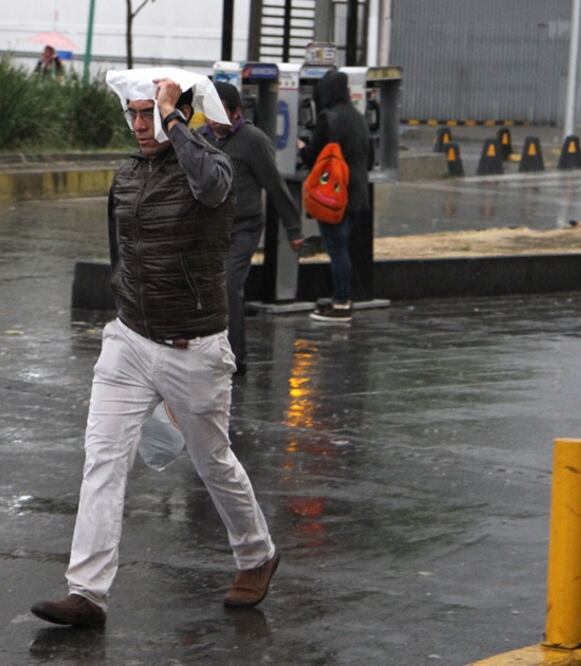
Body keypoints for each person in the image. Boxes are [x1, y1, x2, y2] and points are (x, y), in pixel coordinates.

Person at [31, 71, 280, 627]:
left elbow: (214, 186)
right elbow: (120, 254)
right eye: (136, 114)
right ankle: (87, 590)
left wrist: (176, 117)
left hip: (193, 347)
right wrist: (122, 312)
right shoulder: (126, 176)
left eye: (152, 114)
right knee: (102, 456)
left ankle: (257, 552)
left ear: (182, 116)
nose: (141, 126)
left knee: (212, 459)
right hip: (129, 342)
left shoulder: (213, 166)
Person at [203, 81, 304, 376]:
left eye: (219, 114)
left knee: (230, 285)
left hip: (244, 225)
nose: (213, 121)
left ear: (235, 113)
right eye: (209, 114)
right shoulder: (201, 138)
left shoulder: (253, 140)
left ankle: (236, 356)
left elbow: (275, 185)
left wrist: (294, 229)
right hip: (211, 227)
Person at [299, 70, 372, 323]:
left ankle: (341, 303)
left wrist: (300, 147)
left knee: (337, 248)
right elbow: (369, 157)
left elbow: (314, 155)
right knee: (342, 246)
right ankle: (342, 297)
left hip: (335, 196)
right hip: (358, 194)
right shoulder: (359, 117)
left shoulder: (327, 118)